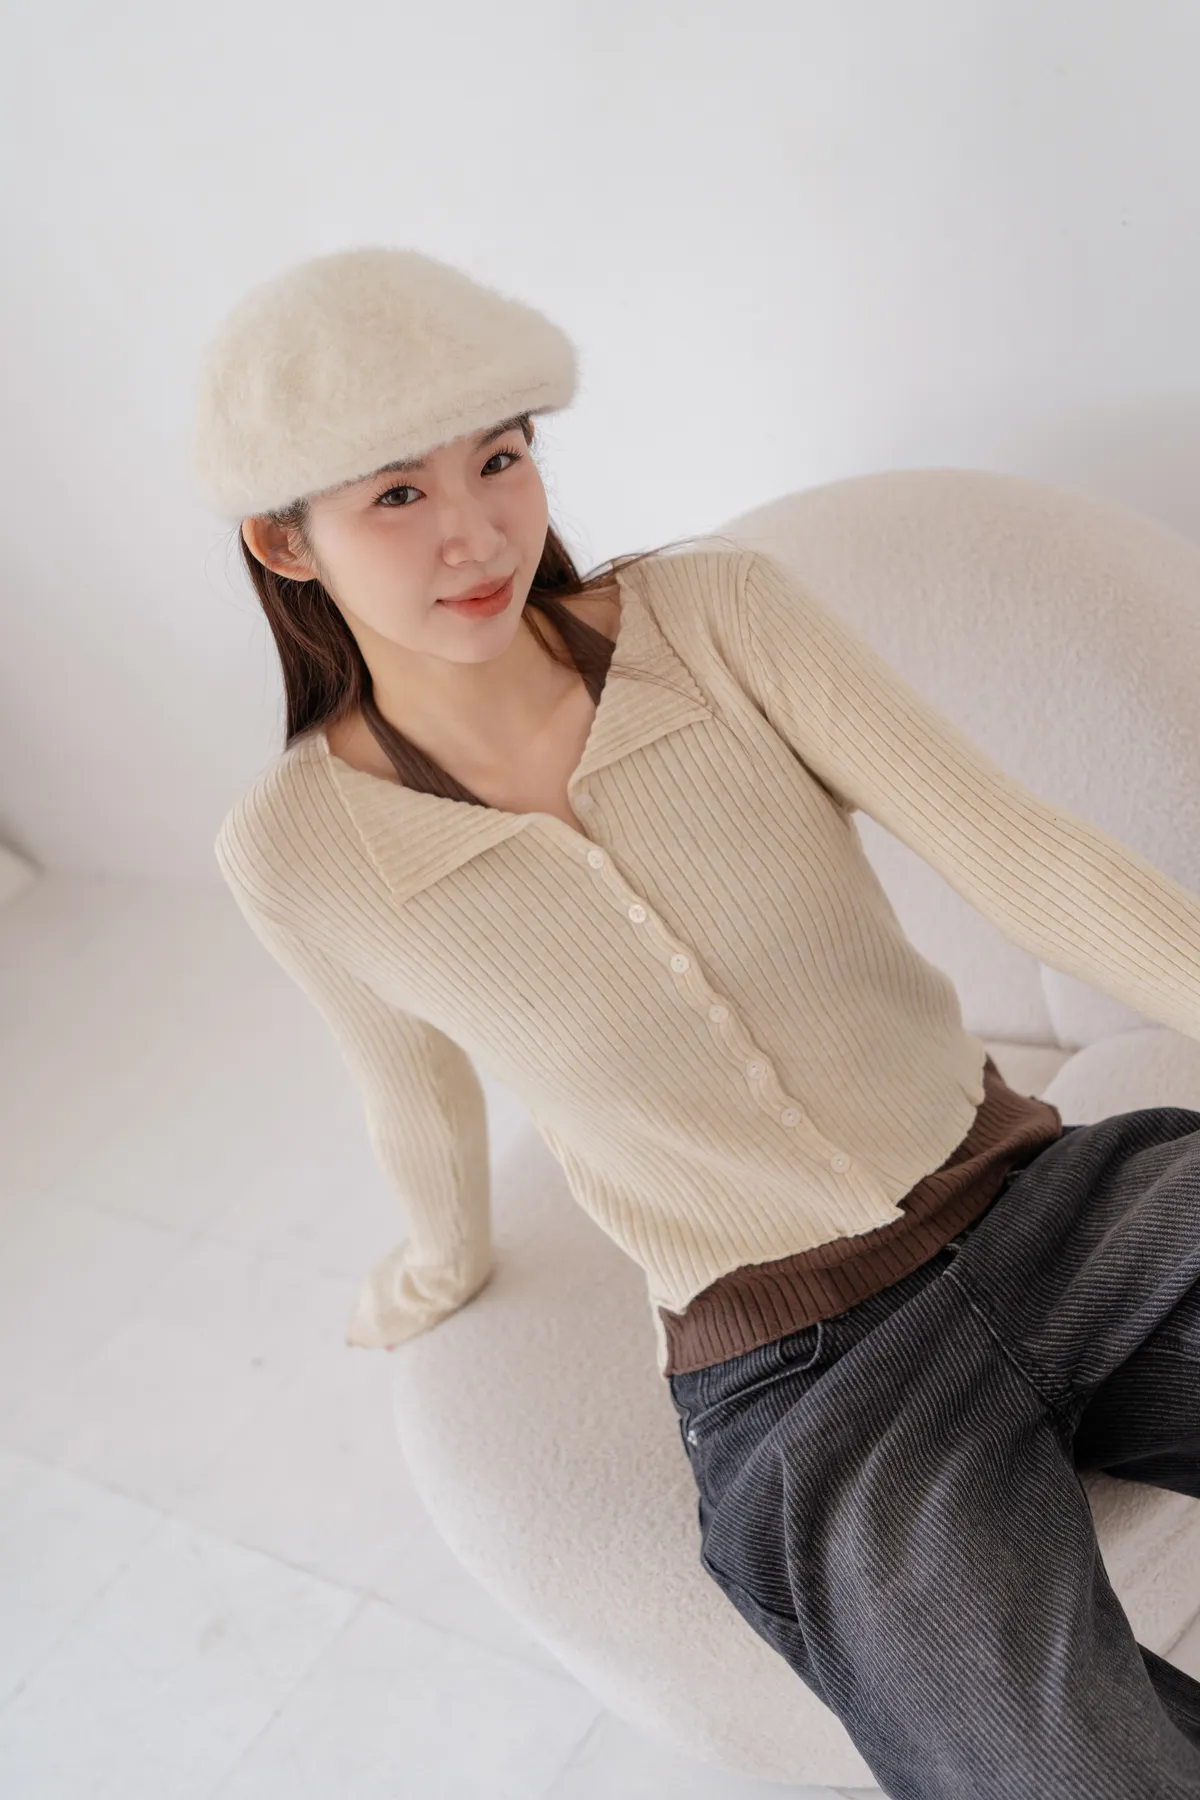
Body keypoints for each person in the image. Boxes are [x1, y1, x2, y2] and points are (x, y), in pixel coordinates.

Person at [193, 245, 1200, 1799]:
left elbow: (1020, 850)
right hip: (808, 1379)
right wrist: (439, 1259)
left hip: (1050, 1204)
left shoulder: (718, 616)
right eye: (397, 493)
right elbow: (411, 1089)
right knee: (1053, 1769)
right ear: (284, 538)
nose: (476, 530)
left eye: (501, 457)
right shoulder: (297, 849)